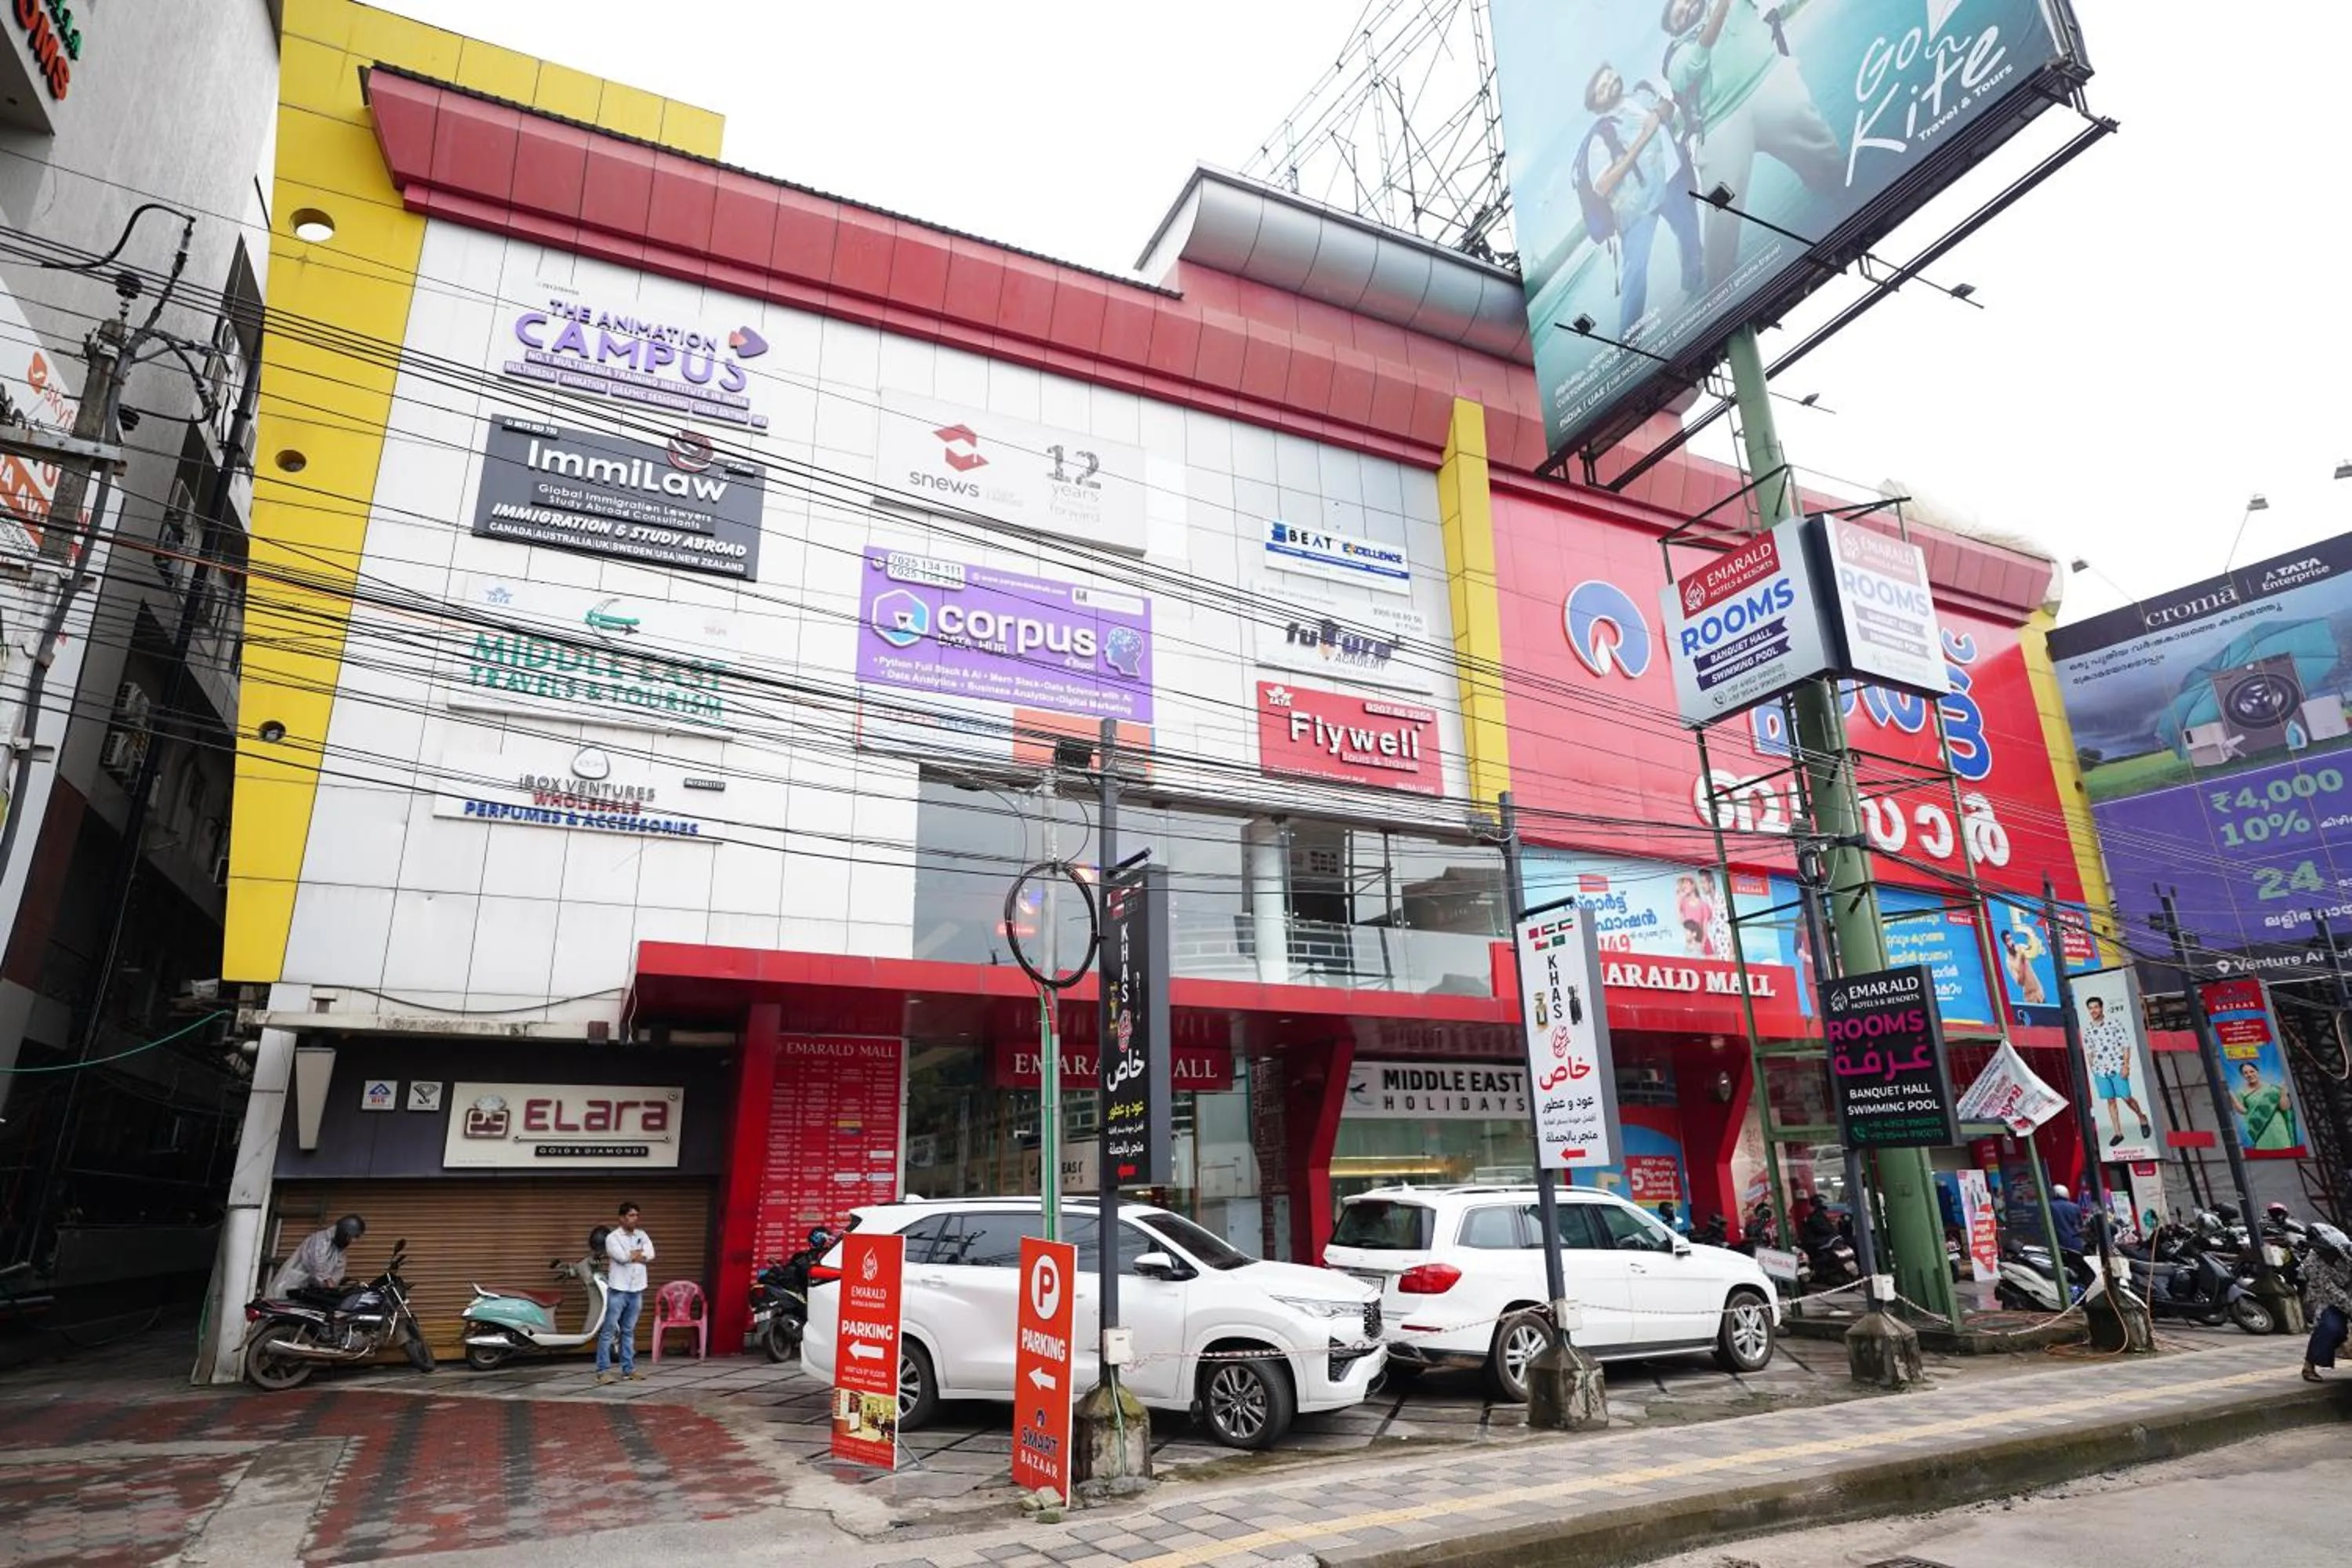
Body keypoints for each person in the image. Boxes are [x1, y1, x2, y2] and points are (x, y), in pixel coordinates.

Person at [1658, 0, 1844, 291]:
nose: (1686, 7)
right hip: (1722, 126)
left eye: (1687, 0)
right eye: (1677, 13)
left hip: (1770, 83)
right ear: (1673, 28)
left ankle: (1846, 209)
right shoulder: (1675, 56)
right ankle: (1721, 299)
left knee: (1827, 160)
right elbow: (1692, 67)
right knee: (1722, 215)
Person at [1577, 64, 1703, 339]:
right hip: (1637, 208)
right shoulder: (1602, 133)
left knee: (1690, 236)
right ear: (1595, 102)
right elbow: (1602, 185)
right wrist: (1642, 139)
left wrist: (1659, 113)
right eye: (1602, 88)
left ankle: (1700, 297)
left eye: (1610, 78)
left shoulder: (1641, 94)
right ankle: (1630, 344)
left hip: (1674, 181)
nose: (1610, 85)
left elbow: (1668, 108)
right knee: (1635, 274)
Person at [2082, 995, 2153, 1146]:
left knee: (2126, 1097)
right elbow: (2089, 1050)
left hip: (2116, 1065)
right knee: (2111, 1101)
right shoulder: (2088, 1030)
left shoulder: (2113, 1023)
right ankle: (2118, 1133)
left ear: (2101, 1008)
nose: (2093, 1010)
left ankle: (2142, 1118)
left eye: (2096, 1007)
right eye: (2091, 1008)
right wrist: (2093, 1069)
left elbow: (2125, 1044)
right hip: (2100, 1070)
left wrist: (2126, 1065)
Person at [597, 1201, 655, 1385]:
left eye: (636, 1215)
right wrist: (638, 1255)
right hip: (619, 1290)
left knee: (629, 1331)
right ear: (621, 1218)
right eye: (631, 1215)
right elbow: (621, 1258)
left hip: (637, 1289)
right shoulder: (613, 1237)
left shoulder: (642, 1234)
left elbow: (651, 1254)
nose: (634, 1219)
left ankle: (628, 1369)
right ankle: (603, 1371)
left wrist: (636, 1255)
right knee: (609, 1330)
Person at [2299, 1221, 2352, 1381]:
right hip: (2325, 1300)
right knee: (2331, 1327)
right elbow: (2331, 1292)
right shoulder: (2312, 1264)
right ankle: (2309, 1366)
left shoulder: (2346, 1251)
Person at [270, 1214, 365, 1298]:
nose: (350, 1241)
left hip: (308, 1292)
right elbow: (317, 1264)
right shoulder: (320, 1240)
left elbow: (338, 1272)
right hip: (292, 1286)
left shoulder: (339, 1251)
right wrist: (328, 1281)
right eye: (350, 1237)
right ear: (343, 1232)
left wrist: (335, 1286)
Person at [2232, 1062, 2299, 1152]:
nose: (2249, 1075)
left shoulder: (2273, 1088)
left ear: (2257, 1072)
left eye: (2252, 1071)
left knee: (2286, 1151)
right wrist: (2232, 1097)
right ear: (2242, 1076)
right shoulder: (2241, 1092)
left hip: (2278, 1127)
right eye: (2246, 1073)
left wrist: (2283, 1094)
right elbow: (2243, 1111)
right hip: (2259, 1130)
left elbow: (2285, 1108)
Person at [2000, 930, 2047, 1006]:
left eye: (2011, 938)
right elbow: (2020, 982)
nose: (2011, 942)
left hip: (2039, 992)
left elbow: (2032, 950)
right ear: (2005, 943)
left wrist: (2030, 936)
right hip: (2030, 998)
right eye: (2008, 940)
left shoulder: (2020, 947)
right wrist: (2022, 963)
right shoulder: (2009, 962)